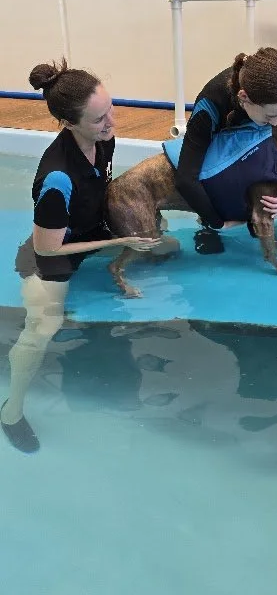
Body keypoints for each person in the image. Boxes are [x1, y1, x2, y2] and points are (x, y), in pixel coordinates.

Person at [0, 58, 159, 454]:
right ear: (69, 124)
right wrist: (113, 245)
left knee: (163, 248)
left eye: (110, 110)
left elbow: (100, 192)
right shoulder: (56, 178)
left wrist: (131, 228)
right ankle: (11, 411)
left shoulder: (103, 140)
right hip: (52, 251)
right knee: (42, 328)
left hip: (90, 230)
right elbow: (45, 247)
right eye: (99, 119)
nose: (112, 123)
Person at [174, 47, 277, 254]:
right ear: (244, 97)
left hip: (265, 143)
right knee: (215, 188)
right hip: (225, 153)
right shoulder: (210, 105)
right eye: (270, 116)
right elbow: (185, 178)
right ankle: (207, 230)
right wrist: (217, 223)